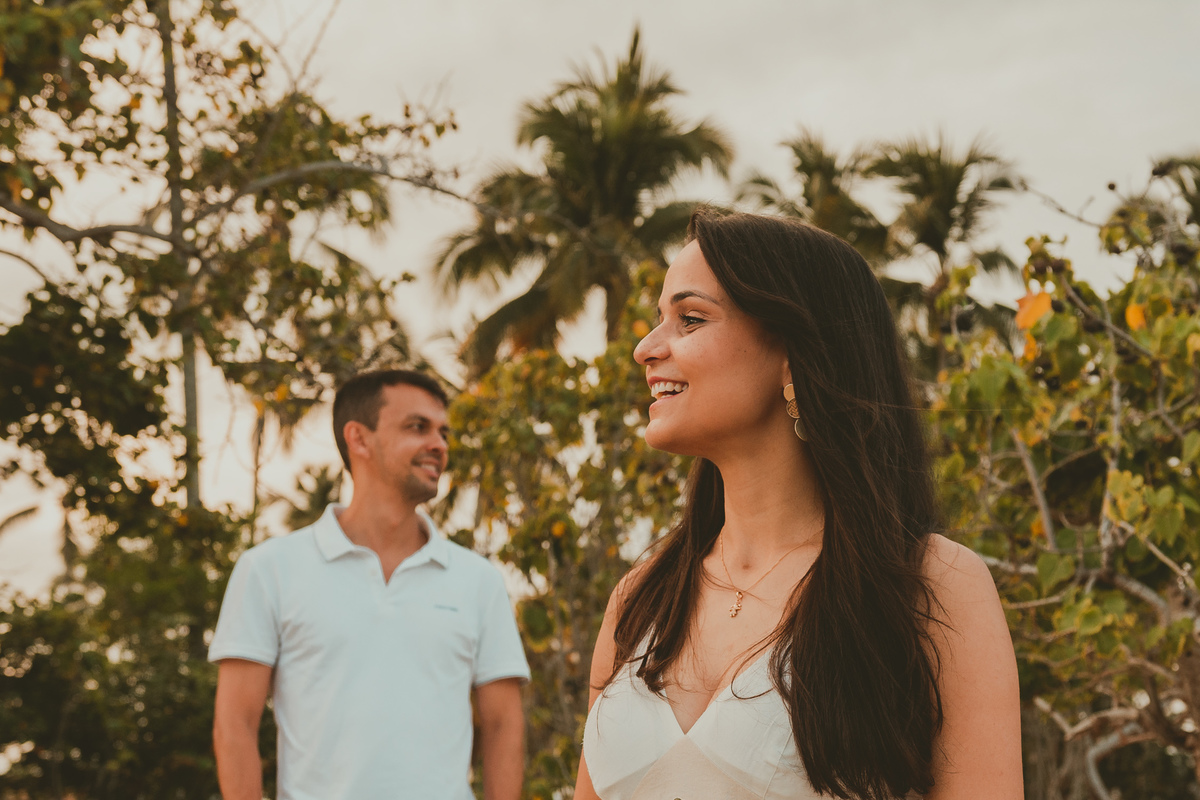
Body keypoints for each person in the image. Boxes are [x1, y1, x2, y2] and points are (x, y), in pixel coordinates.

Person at [576, 210, 1022, 800]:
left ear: (792, 352)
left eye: (689, 319)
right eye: (658, 321)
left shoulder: (930, 583)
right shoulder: (640, 599)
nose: (645, 349)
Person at [210, 369, 530, 800]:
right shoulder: (268, 569)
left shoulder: (479, 581)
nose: (439, 445)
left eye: (443, 433)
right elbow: (235, 725)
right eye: (417, 427)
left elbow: (503, 725)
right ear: (358, 439)